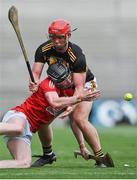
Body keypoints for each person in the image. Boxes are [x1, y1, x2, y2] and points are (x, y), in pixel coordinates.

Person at [29, 19, 114, 168]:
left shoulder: (77, 55)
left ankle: (100, 158)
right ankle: (48, 155)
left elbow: (79, 88)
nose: (56, 41)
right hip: (61, 86)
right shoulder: (43, 49)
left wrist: (72, 105)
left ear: (68, 35)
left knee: (78, 118)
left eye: (60, 37)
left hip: (85, 85)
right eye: (52, 37)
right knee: (43, 121)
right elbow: (36, 73)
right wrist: (34, 82)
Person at [0, 62, 100, 169]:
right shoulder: (48, 84)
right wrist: (79, 98)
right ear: (55, 80)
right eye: (62, 81)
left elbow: (74, 121)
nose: (67, 82)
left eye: (67, 77)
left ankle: (47, 154)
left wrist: (82, 146)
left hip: (27, 131)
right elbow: (54, 101)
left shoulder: (73, 91)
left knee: (24, 163)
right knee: (19, 128)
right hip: (19, 116)